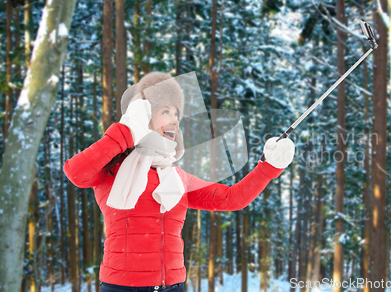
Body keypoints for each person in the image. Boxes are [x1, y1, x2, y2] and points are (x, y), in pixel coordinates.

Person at [64, 72, 295, 292]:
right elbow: (76, 173)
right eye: (165, 111)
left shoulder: (177, 177)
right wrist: (126, 131)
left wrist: (269, 167)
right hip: (123, 287)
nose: (174, 120)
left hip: (173, 286)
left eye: (176, 114)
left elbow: (231, 199)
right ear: (144, 116)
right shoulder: (111, 169)